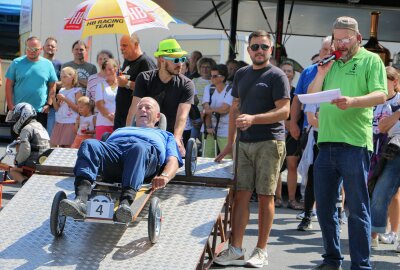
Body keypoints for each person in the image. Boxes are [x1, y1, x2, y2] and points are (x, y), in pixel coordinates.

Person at [308, 17, 387, 270]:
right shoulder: (329, 62)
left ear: (358, 38)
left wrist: (352, 101)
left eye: (345, 39)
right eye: (336, 39)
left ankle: (361, 265)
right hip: (326, 142)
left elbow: (381, 94)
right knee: (324, 208)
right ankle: (332, 259)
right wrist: (321, 73)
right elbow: (311, 95)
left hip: (355, 144)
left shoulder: (371, 60)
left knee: (357, 208)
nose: (340, 44)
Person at [214, 30, 290, 267]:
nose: (259, 51)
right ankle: (235, 249)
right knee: (241, 196)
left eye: (264, 47)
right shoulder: (241, 74)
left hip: (270, 141)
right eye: (255, 47)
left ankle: (261, 250)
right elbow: (235, 108)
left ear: (271, 50)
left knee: (266, 196)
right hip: (244, 143)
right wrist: (229, 143)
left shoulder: (277, 75)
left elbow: (284, 112)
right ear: (248, 50)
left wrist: (254, 119)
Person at [59, 97, 183, 223]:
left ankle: (125, 204)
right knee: (89, 144)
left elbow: (174, 161)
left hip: (143, 157)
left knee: (138, 148)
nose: (142, 110)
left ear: (157, 117)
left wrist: (165, 176)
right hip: (115, 153)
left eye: (147, 107)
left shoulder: (166, 136)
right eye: (139, 108)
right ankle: (81, 200)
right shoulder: (120, 130)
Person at [126, 39, 195, 156]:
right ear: (162, 59)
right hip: (145, 134)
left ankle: (166, 174)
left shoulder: (187, 84)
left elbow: (182, 117)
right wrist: (128, 133)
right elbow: (133, 110)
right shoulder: (144, 78)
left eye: (182, 59)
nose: (180, 64)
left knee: (173, 158)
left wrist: (177, 139)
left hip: (170, 136)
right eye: (176, 60)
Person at [295, 36, 334, 230]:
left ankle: (333, 217)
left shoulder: (340, 80)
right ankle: (308, 215)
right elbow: (310, 115)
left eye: (329, 50)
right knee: (312, 177)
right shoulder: (313, 78)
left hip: (339, 138)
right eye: (323, 50)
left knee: (336, 182)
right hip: (318, 137)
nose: (326, 54)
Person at [370, 66, 400, 250]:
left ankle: (393, 233)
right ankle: (375, 233)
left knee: (390, 193)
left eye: (384, 80)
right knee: (376, 191)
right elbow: (380, 127)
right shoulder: (375, 100)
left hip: (395, 150)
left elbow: (384, 126)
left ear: (395, 82)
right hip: (377, 150)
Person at [5, 36, 57, 135]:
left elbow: (52, 85)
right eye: (28, 48)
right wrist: (11, 106)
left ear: (41, 49)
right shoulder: (16, 62)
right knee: (18, 141)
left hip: (39, 111)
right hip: (19, 110)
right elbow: (8, 85)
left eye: (35, 49)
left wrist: (49, 104)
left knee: (37, 142)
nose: (31, 51)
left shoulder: (48, 64)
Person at [275, 60, 303, 210]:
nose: (286, 73)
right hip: (276, 132)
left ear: (293, 74)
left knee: (292, 165)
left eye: (289, 71)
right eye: (283, 70)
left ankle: (292, 199)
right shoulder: (274, 91)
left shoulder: (296, 93)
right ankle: (278, 198)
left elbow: (301, 113)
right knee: (277, 167)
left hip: (293, 134)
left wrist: (292, 125)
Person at [114, 33, 156, 129]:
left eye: (125, 45)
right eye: (120, 46)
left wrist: (127, 83)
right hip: (121, 116)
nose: (121, 48)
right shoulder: (127, 61)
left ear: (136, 45)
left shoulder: (145, 62)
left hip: (135, 119)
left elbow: (150, 88)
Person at [7, 103, 50, 185]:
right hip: (43, 161)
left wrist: (17, 161)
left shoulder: (26, 129)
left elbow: (25, 150)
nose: (16, 120)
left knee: (13, 170)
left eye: (17, 117)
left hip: (33, 162)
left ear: (24, 115)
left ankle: (25, 182)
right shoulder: (40, 126)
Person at [201, 64, 232, 158]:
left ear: (222, 77)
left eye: (214, 76)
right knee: (207, 158)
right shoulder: (208, 88)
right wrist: (208, 126)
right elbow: (206, 108)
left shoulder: (231, 90)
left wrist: (210, 110)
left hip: (226, 129)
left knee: (227, 158)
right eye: (211, 75)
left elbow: (225, 109)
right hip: (209, 129)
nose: (211, 78)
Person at [50, 67, 82, 147]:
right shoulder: (61, 90)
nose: (62, 79)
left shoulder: (77, 91)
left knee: (68, 146)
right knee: (58, 146)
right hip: (60, 122)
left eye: (65, 77)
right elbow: (57, 108)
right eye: (61, 77)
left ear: (72, 78)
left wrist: (65, 99)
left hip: (71, 122)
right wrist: (53, 98)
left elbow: (79, 109)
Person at [42, 37, 63, 137]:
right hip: (38, 104)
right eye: (48, 45)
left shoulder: (59, 64)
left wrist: (52, 83)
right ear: (43, 47)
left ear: (56, 49)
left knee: (50, 136)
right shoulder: (38, 62)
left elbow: (64, 83)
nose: (50, 47)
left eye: (53, 46)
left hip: (52, 106)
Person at [95, 59, 118, 140]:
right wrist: (110, 117)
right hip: (103, 123)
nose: (107, 72)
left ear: (116, 69)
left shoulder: (122, 84)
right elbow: (99, 105)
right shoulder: (100, 85)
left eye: (109, 69)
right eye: (105, 69)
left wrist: (117, 119)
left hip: (119, 124)